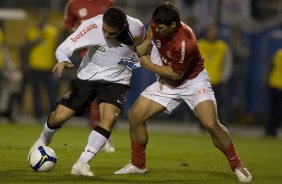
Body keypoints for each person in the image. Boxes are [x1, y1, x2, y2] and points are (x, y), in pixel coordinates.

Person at [114, 2, 252, 183]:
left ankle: (237, 164)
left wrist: (147, 64)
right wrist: (143, 46)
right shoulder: (158, 22)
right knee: (135, 116)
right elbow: (150, 36)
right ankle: (138, 164)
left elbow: (175, 73)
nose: (158, 29)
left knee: (210, 123)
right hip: (168, 81)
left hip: (192, 81)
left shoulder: (185, 41)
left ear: (174, 25)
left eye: (162, 28)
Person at [28, 7, 145, 176]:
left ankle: (81, 164)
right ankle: (43, 139)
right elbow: (65, 47)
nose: (105, 34)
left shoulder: (137, 27)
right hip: (88, 77)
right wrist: (62, 59)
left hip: (117, 80)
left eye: (110, 33)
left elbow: (145, 41)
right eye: (104, 30)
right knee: (59, 116)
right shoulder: (93, 26)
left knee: (109, 117)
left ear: (123, 26)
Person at [64, 0, 115, 152]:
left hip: (109, 54)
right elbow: (67, 29)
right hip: (87, 56)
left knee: (107, 96)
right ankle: (100, 135)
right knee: (94, 98)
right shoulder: (73, 4)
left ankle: (102, 135)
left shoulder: (109, 3)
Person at [22, 9, 59, 121]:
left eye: (43, 18)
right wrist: (36, 40)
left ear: (46, 19)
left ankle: (55, 116)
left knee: (51, 93)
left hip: (49, 67)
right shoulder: (31, 32)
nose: (40, 20)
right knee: (36, 92)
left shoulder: (53, 31)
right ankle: (38, 116)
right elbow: (26, 49)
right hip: (34, 67)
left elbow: (57, 49)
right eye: (38, 18)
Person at [198, 24, 233, 123]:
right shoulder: (200, 44)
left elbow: (228, 63)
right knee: (202, 105)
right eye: (210, 32)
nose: (212, 34)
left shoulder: (223, 46)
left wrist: (224, 78)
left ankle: (221, 125)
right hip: (202, 81)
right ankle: (203, 125)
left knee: (219, 106)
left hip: (218, 81)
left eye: (214, 32)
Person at [265, 48, 282, 137]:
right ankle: (272, 130)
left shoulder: (278, 52)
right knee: (278, 111)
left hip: (273, 83)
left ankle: (269, 130)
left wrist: (267, 80)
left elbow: (272, 67)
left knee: (272, 109)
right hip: (278, 85)